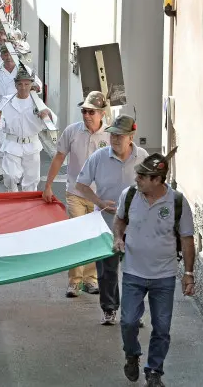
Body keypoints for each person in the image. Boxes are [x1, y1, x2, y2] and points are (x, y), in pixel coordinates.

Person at [115, 149, 195, 387]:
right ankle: (132, 355)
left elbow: (187, 239)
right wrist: (118, 237)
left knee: (162, 327)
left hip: (164, 276)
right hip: (132, 272)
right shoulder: (129, 195)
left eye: (142, 176)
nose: (137, 179)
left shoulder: (177, 202)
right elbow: (119, 220)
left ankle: (154, 372)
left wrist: (188, 274)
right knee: (128, 321)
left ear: (157, 180)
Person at [74, 114, 148, 326]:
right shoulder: (99, 157)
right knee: (107, 271)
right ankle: (109, 309)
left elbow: (155, 187)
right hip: (106, 221)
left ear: (131, 137)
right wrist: (99, 201)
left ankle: (134, 311)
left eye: (120, 136)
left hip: (136, 224)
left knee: (137, 270)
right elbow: (81, 185)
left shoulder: (142, 157)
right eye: (113, 135)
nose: (115, 140)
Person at [42, 91, 110, 297]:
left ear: (101, 113)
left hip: (99, 197)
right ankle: (74, 282)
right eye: (84, 111)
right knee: (77, 236)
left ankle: (91, 279)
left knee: (92, 238)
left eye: (91, 111)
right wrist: (48, 185)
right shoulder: (72, 131)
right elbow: (59, 157)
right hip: (75, 193)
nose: (86, 115)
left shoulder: (110, 135)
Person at [0, 67, 56, 192]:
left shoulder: (37, 102)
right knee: (10, 177)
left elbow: (52, 120)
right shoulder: (7, 101)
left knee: (32, 181)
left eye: (27, 84)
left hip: (32, 145)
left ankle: (28, 206)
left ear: (31, 85)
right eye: (20, 84)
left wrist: (46, 114)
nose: (23, 87)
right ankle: (13, 198)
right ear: (15, 85)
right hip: (12, 144)